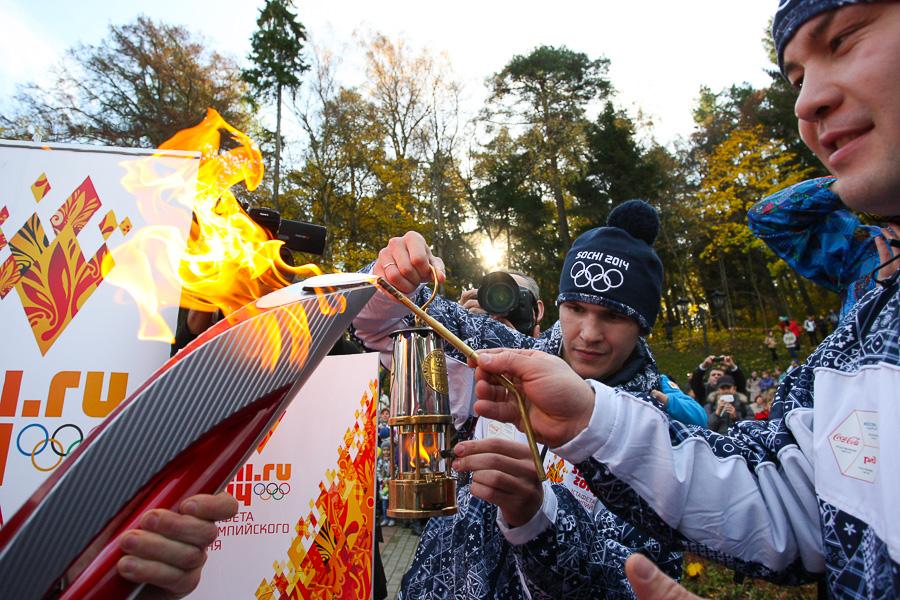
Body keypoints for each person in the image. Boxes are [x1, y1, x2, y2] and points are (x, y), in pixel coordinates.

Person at [467, 2, 900, 598]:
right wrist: (588, 420)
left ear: (644, 325)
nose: (804, 103)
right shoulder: (871, 319)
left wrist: (533, 515)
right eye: (795, 80)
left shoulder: (675, 412)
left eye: (844, 42)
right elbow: (791, 500)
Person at [352, 201, 701, 598]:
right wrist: (395, 272)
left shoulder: (657, 437)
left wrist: (538, 514)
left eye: (613, 316)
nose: (588, 333)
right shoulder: (505, 357)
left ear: (641, 324)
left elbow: (634, 584)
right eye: (576, 308)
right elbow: (383, 323)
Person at [459, 270, 546, 337]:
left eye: (513, 295)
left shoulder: (555, 352)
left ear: (538, 310)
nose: (499, 312)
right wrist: (459, 324)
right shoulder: (465, 349)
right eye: (491, 298)